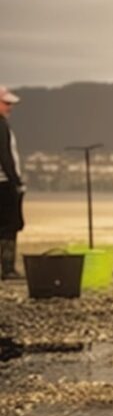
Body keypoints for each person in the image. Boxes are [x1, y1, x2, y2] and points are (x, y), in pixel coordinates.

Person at [0, 86, 24, 280]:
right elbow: (5, 156)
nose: (10, 108)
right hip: (3, 183)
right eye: (6, 103)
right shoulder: (1, 125)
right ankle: (8, 269)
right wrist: (17, 182)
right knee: (10, 225)